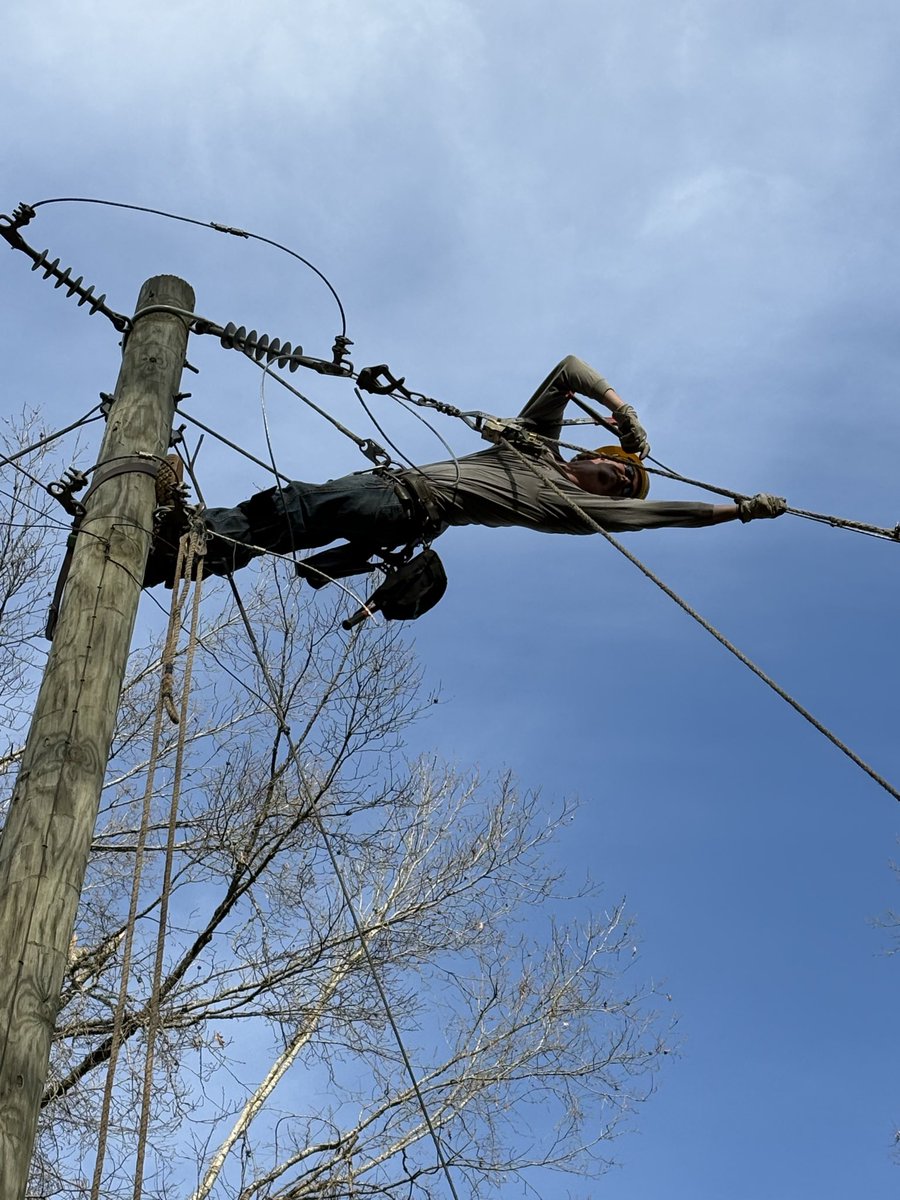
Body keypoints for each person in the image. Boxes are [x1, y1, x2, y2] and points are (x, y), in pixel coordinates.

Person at [144, 356, 786, 587]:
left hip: (402, 508)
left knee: (289, 513)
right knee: (279, 520)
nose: (617, 483)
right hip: (386, 493)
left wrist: (739, 510)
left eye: (621, 486)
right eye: (617, 472)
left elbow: (668, 516)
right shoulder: (531, 448)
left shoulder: (572, 509)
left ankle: (182, 540)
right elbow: (568, 372)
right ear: (594, 456)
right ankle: (172, 555)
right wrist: (623, 413)